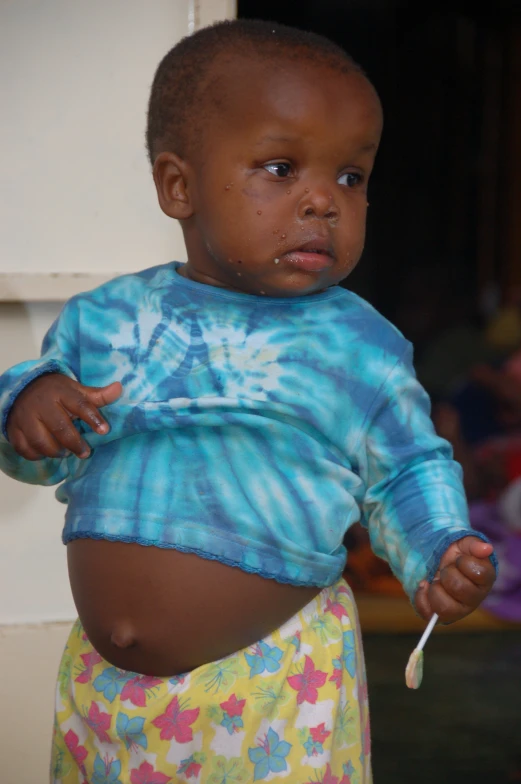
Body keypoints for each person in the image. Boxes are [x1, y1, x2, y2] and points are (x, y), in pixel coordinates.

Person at [0, 20, 497, 784]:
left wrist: (438, 549)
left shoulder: (357, 345)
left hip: (272, 690)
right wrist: (27, 403)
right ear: (179, 185)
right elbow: (32, 456)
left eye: (349, 177)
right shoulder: (107, 320)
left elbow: (403, 469)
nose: (322, 202)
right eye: (280, 167)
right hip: (108, 700)